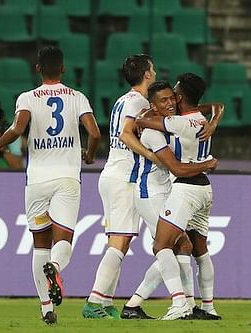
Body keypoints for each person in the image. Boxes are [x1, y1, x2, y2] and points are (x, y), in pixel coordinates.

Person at [0, 46, 101, 325]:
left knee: (40, 245)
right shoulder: (77, 97)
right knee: (63, 239)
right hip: (67, 179)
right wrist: (88, 153)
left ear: (37, 68)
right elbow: (95, 132)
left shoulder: (27, 98)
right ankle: (57, 267)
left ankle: (46, 308)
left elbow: (17, 128)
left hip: (37, 180)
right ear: (63, 69)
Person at [120, 80, 221, 320]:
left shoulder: (171, 124)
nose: (170, 103)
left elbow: (209, 107)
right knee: (177, 246)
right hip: (150, 190)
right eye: (163, 100)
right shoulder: (155, 131)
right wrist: (207, 163)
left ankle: (144, 305)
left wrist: (214, 117)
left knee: (181, 246)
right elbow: (176, 167)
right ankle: (181, 303)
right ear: (153, 105)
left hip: (171, 189)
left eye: (171, 98)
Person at [82, 54, 160, 319]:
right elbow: (127, 134)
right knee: (119, 242)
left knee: (120, 242)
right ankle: (94, 302)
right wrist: (150, 155)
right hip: (124, 177)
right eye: (153, 67)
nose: (155, 71)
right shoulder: (139, 101)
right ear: (147, 74)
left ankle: (105, 301)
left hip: (113, 174)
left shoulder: (122, 99)